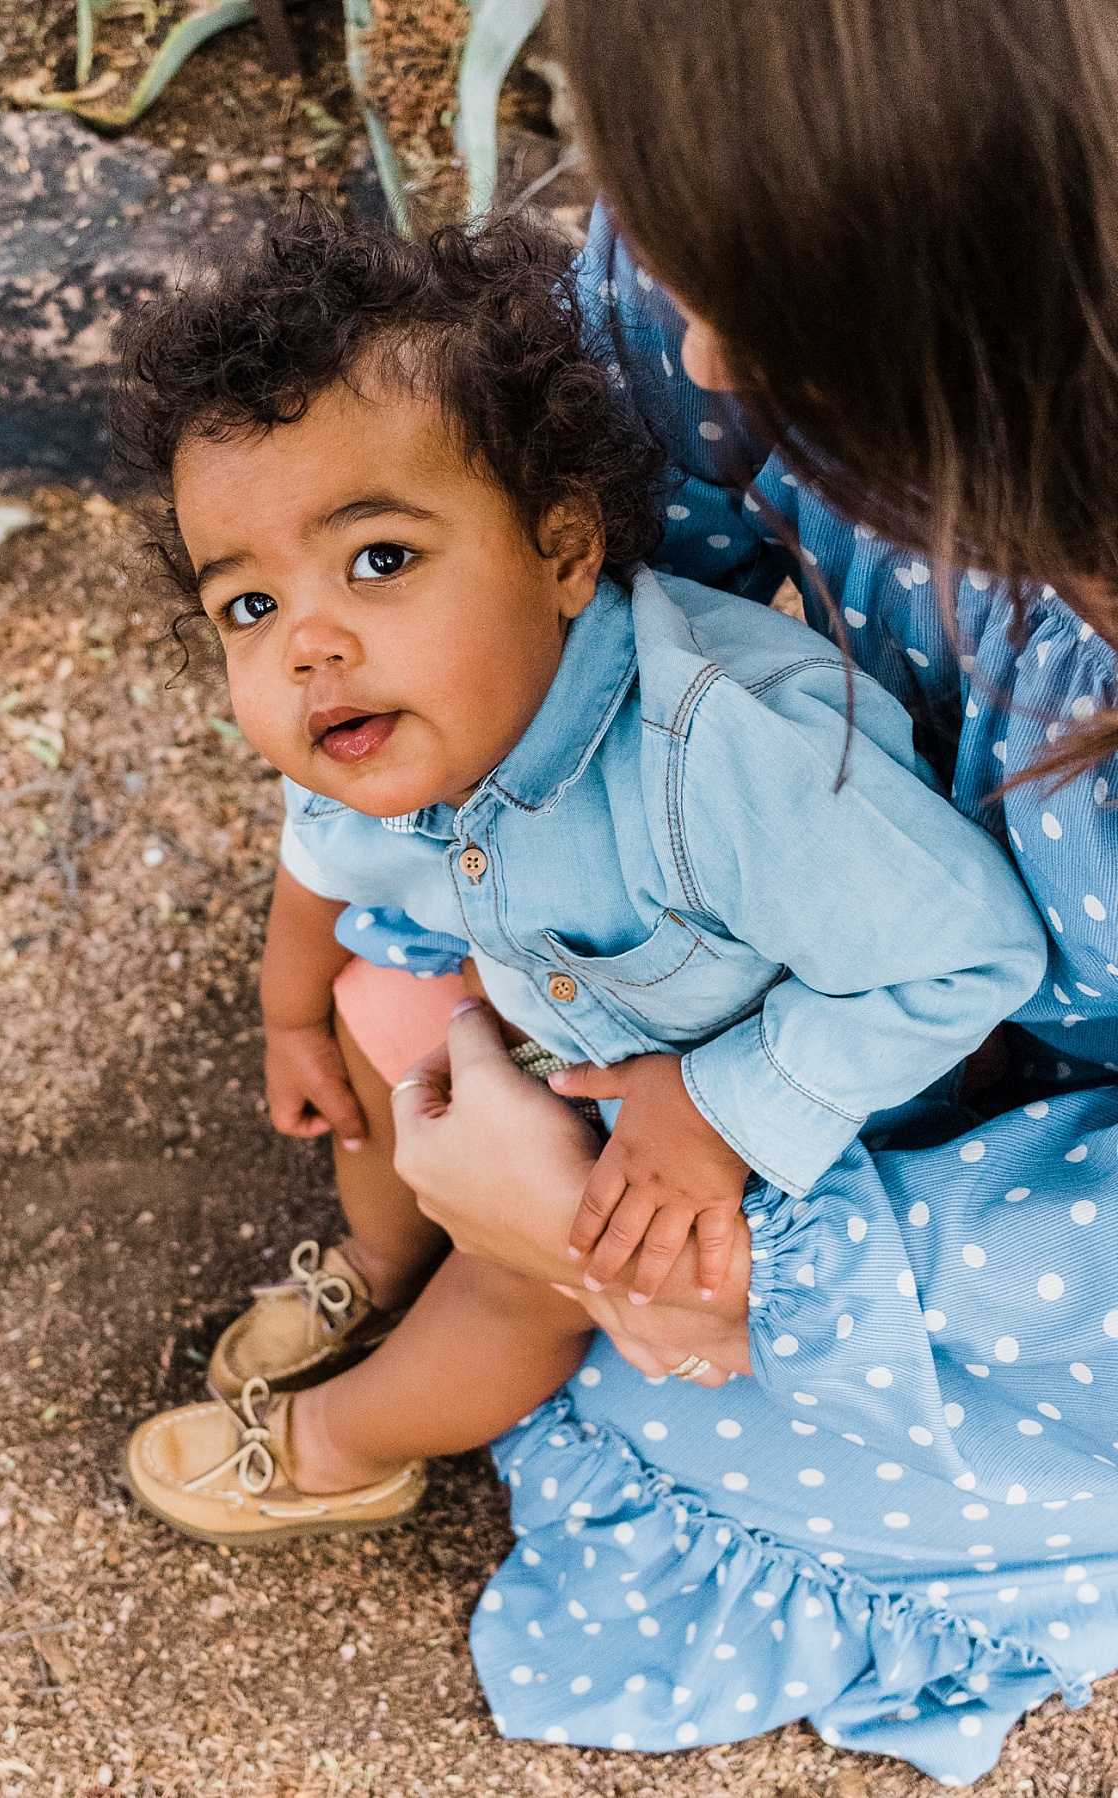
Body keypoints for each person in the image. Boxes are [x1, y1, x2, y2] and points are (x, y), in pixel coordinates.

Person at [383, 0, 1118, 1785]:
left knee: (670, 1397)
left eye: (773, 312)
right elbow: (563, 579)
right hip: (871, 983)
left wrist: (733, 1249)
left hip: (1060, 1228)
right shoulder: (731, 279)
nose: (703, 357)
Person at [111, 207, 1046, 1550]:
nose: (308, 642)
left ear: (560, 551)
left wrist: (717, 1111)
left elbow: (974, 953)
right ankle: (380, 1259)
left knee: (530, 1278)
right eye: (247, 607)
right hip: (571, 1012)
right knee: (383, 1022)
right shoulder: (389, 711)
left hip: (761, 1104)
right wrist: (290, 1011)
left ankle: (335, 1444)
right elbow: (319, 844)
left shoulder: (715, 760)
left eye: (379, 558)